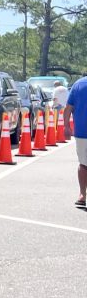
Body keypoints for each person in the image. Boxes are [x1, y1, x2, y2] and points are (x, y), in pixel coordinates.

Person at [63, 76, 86, 207]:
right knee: (83, 164)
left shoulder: (78, 84)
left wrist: (66, 126)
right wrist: (66, 126)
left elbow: (68, 108)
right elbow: (69, 107)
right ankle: (82, 195)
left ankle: (82, 195)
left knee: (83, 164)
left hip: (82, 131)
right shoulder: (79, 84)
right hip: (82, 132)